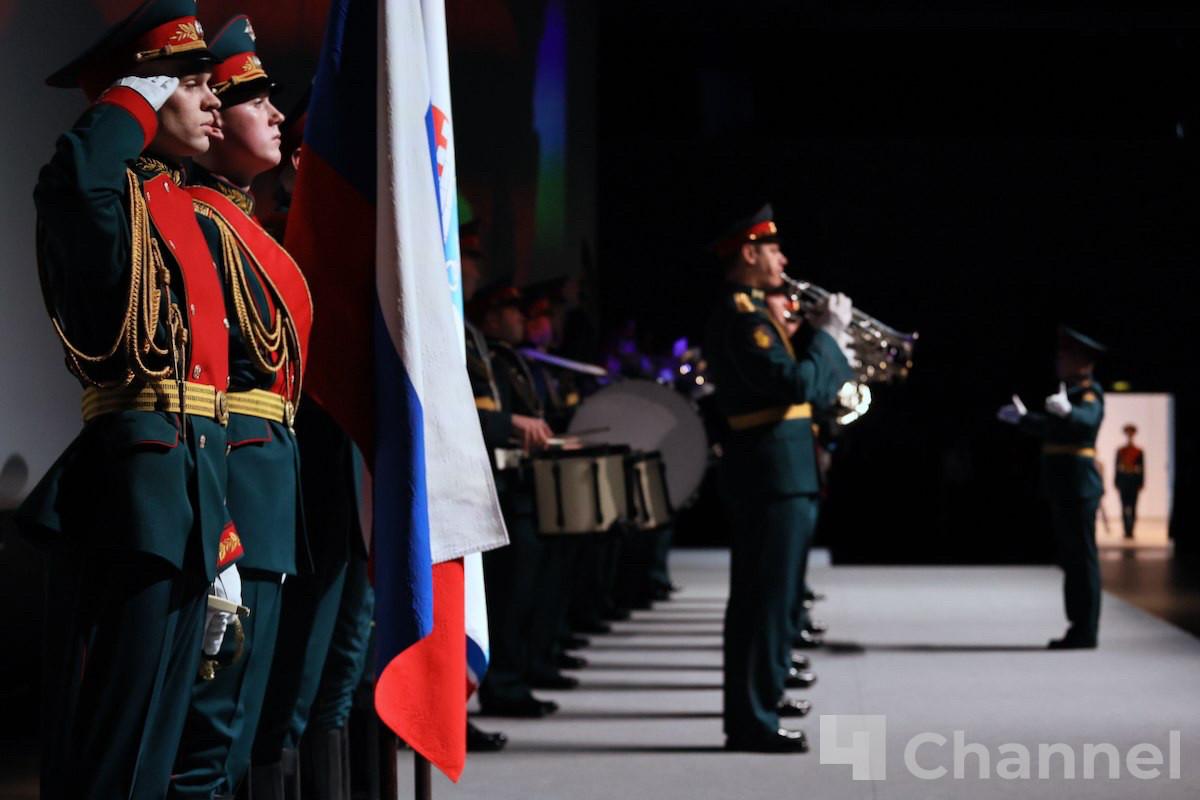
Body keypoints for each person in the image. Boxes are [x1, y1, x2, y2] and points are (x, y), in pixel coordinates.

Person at [18, 1, 241, 796]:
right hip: (135, 501)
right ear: (140, 95)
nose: (212, 95)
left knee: (155, 748)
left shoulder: (176, 207)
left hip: (184, 503)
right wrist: (135, 94)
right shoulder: (108, 197)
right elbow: (75, 183)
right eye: (188, 81)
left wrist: (219, 530)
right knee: (115, 755)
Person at [167, 17, 315, 798]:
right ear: (216, 117)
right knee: (210, 737)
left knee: (244, 732)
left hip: (268, 492)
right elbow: (201, 387)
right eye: (259, 101)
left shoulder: (248, 229)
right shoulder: (194, 223)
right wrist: (217, 525)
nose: (279, 117)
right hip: (231, 495)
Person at [247, 96, 376, 799]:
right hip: (302, 475)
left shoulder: (352, 252)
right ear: (302, 162)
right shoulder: (271, 248)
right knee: (292, 679)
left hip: (353, 469)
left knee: (343, 667)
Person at [705, 204, 854, 753]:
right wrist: (828, 339)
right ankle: (750, 720)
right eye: (773, 249)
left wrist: (820, 338)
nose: (783, 259)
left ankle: (761, 703)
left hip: (783, 472)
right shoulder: (742, 318)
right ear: (749, 253)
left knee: (775, 597)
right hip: (768, 474)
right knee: (760, 602)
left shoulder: (754, 315)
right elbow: (796, 386)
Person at [468, 284, 562, 718]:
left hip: (510, 483)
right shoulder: (478, 349)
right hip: (482, 486)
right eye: (509, 309)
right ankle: (500, 685)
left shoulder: (502, 357)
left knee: (520, 592)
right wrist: (510, 424)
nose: (520, 317)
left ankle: (514, 676)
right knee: (501, 596)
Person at [998, 326, 1106, 649]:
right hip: (1064, 486)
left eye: (1066, 355)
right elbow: (1052, 429)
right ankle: (1078, 627)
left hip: (1079, 486)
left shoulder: (1089, 393)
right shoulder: (1069, 393)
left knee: (1082, 560)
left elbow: (1089, 419)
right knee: (1072, 559)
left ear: (1083, 362)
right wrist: (1023, 419)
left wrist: (1072, 412)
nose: (1059, 361)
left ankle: (1085, 630)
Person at [1115, 424, 1145, 540]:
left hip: (1133, 482)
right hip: (1123, 481)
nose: (1129, 435)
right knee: (1123, 506)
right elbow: (1117, 467)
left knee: (1133, 506)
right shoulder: (1121, 451)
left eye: (1131, 432)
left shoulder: (1138, 451)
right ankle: (1126, 530)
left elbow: (1142, 468)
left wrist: (1141, 482)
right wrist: (1116, 481)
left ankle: (1131, 530)